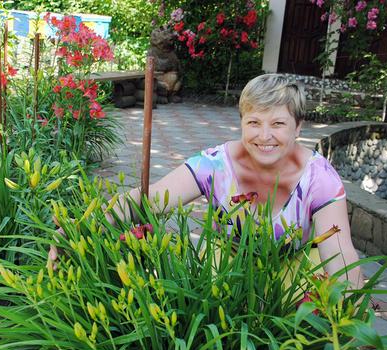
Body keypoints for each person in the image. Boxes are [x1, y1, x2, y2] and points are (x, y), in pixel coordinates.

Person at [52, 73, 364, 289]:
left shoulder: (318, 177)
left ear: (298, 128)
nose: (265, 136)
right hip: (224, 267)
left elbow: (340, 252)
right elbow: (150, 198)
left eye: (278, 124)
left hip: (294, 274)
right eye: (253, 122)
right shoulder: (216, 164)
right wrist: (82, 228)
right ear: (241, 123)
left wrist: (349, 316)